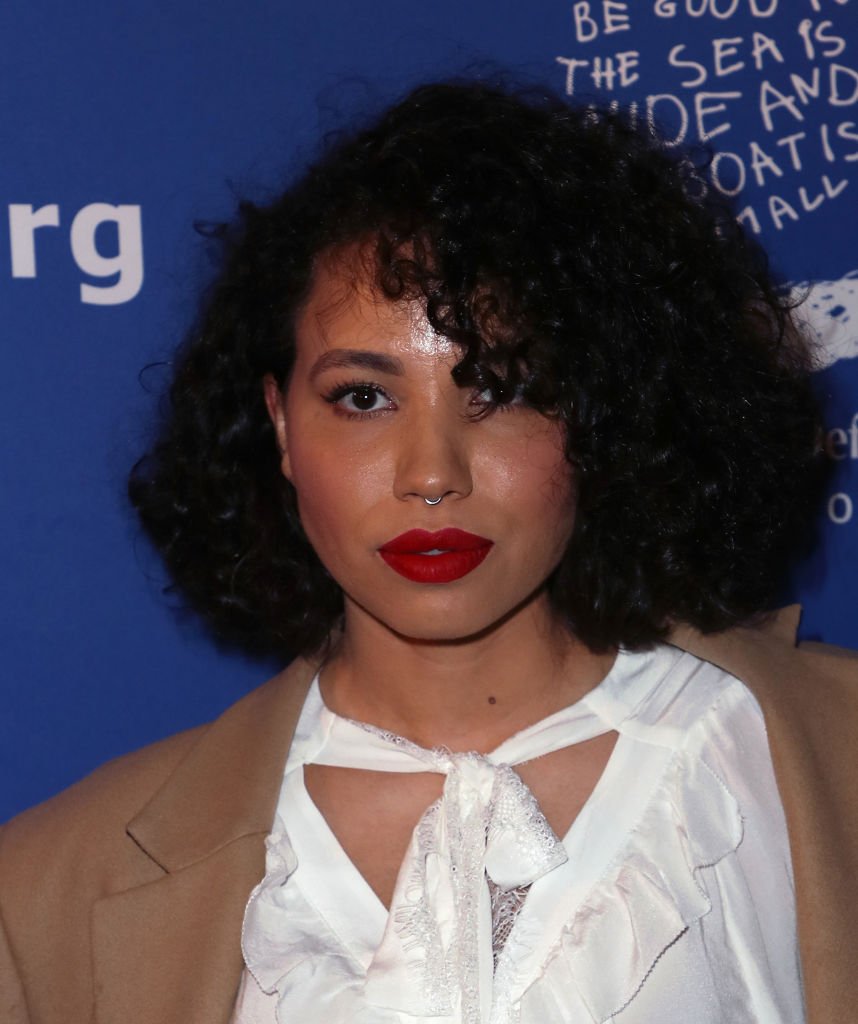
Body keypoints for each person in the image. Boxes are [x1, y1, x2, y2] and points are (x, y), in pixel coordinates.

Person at [1, 79, 856, 1024]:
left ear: (605, 412)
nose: (431, 474)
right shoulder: (47, 896)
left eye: (502, 388)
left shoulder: (820, 760)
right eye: (365, 397)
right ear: (280, 425)